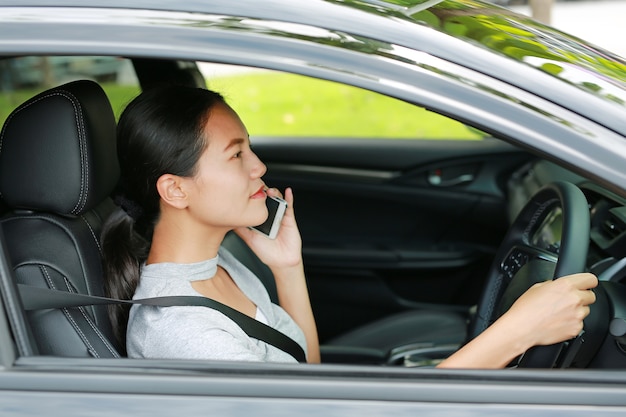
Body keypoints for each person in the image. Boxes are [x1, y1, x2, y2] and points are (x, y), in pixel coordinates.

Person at [101, 85, 597, 367]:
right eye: (237, 155)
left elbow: (306, 372)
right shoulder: (185, 333)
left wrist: (287, 267)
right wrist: (517, 332)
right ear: (175, 190)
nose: (259, 168)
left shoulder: (218, 265)